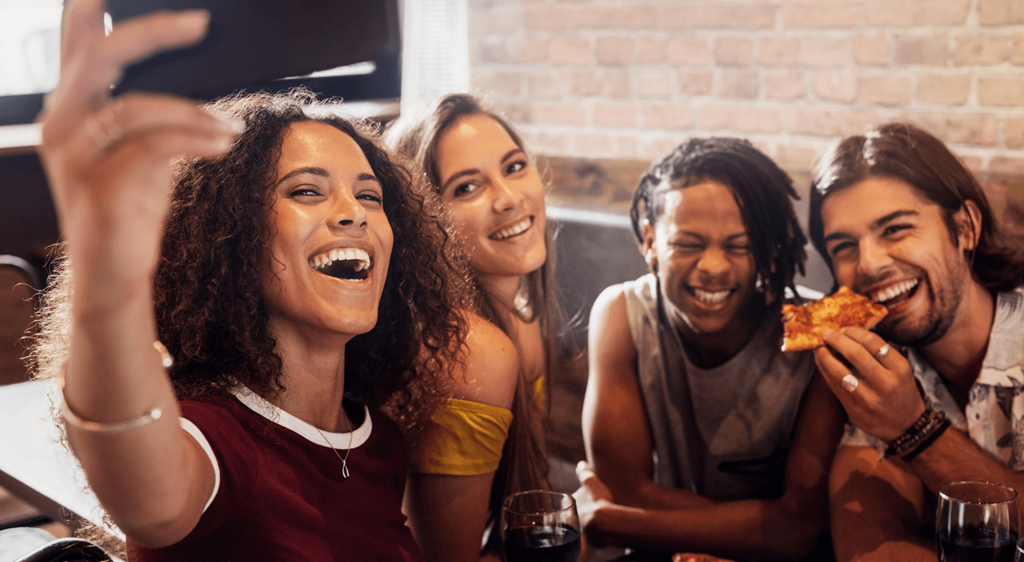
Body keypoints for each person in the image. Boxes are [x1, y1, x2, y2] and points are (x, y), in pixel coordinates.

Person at [29, 1, 466, 560]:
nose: (353, 213)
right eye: (306, 191)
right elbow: (151, 505)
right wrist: (106, 272)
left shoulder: (379, 441)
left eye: (369, 196)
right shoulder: (216, 439)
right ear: (230, 239)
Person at [577, 137, 845, 561]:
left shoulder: (819, 330)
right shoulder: (623, 314)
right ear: (650, 241)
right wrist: (761, 529)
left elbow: (800, 528)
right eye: (688, 243)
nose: (714, 268)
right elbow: (623, 487)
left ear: (767, 251)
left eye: (739, 246)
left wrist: (619, 522)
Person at [807, 123, 1024, 562]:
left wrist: (914, 428)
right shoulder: (875, 364)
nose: (869, 265)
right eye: (844, 246)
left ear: (965, 227)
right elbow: (867, 540)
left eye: (895, 229)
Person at [385, 94, 562, 562]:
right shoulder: (468, 350)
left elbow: (529, 508)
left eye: (515, 166)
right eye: (467, 188)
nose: (508, 198)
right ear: (422, 221)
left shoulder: (522, 323)